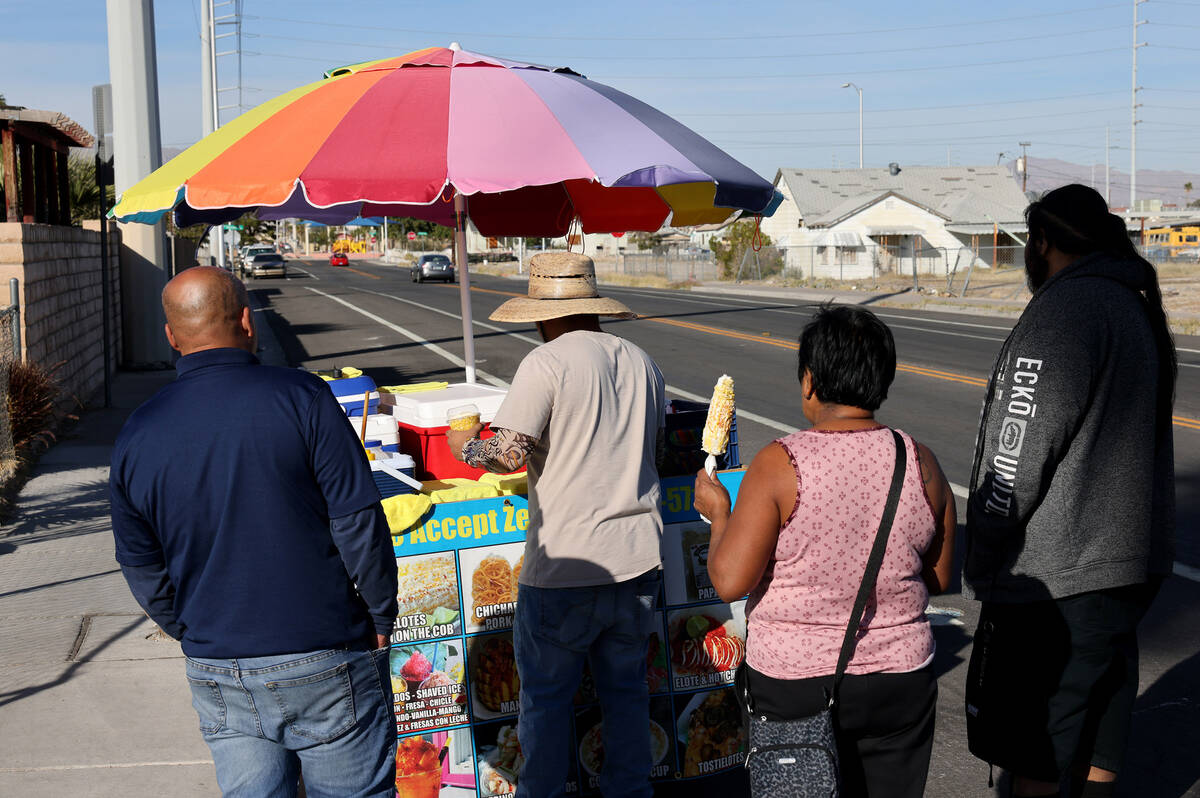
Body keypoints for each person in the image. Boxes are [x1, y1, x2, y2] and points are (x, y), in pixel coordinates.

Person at [109, 266, 398, 798]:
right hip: (324, 653)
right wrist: (381, 611)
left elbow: (140, 563)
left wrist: (191, 629)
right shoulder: (303, 397)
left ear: (171, 337)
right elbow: (358, 522)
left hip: (217, 664)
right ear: (248, 321)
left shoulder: (138, 432)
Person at [963, 184, 1176, 798]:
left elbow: (1014, 457)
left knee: (1040, 755)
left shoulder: (1064, 312)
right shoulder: (1131, 305)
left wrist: (986, 554)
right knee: (1103, 732)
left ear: (1045, 243)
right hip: (1124, 568)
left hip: (1059, 580)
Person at [694, 305, 957, 798]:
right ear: (883, 380)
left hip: (794, 684)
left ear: (810, 382)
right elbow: (939, 576)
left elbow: (730, 580)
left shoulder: (780, 463)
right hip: (900, 681)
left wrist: (719, 514)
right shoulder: (919, 459)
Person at [447, 252, 666, 798]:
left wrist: (464, 447)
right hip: (638, 559)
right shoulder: (642, 360)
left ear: (543, 314)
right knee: (627, 695)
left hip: (565, 567)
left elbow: (508, 453)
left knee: (544, 704)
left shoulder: (546, 363)